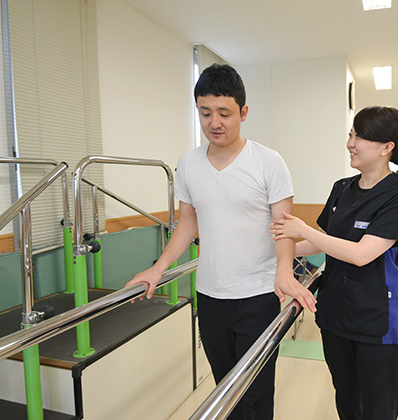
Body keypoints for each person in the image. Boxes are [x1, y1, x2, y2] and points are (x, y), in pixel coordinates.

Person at [126, 63, 317, 419]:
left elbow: (283, 226)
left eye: (224, 113)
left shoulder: (268, 162)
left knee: (256, 394)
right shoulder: (189, 163)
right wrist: (158, 268)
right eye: (205, 113)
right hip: (211, 295)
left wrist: (285, 271)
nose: (214, 122)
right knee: (224, 390)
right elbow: (187, 223)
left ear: (243, 112)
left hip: (258, 295)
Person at [271, 106, 398, 420]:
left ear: (386, 147)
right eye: (351, 134)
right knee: (347, 402)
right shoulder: (342, 189)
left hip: (377, 323)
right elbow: (324, 241)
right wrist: (282, 250)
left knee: (378, 410)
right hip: (336, 316)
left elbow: (361, 254)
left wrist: (303, 230)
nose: (351, 143)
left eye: (360, 137)